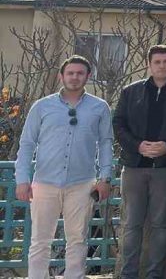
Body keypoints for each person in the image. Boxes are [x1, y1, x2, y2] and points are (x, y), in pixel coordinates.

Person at [15, 55, 112, 279]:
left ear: (88, 76)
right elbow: (27, 143)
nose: (74, 77)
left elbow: (106, 143)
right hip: (44, 183)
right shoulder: (41, 106)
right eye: (70, 73)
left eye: (80, 73)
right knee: (40, 240)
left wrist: (105, 177)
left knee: (78, 239)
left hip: (82, 183)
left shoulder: (99, 107)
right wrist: (22, 179)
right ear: (61, 76)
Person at [113, 44, 166, 279]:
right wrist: (138, 145)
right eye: (157, 62)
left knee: (162, 225)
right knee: (132, 224)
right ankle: (128, 274)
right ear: (149, 64)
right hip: (134, 165)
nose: (162, 66)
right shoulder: (130, 91)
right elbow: (118, 124)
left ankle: (154, 274)